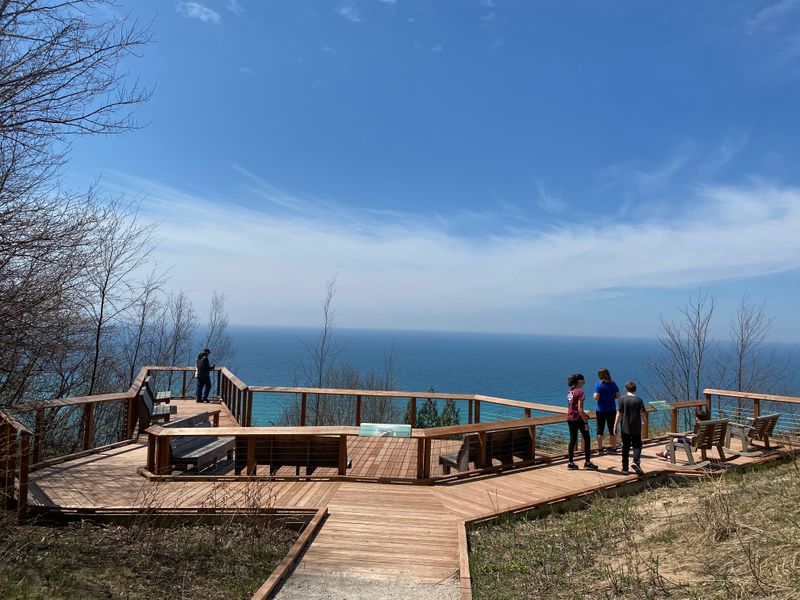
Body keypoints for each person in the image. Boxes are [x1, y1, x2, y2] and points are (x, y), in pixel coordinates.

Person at [566, 373, 599, 470]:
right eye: (583, 381)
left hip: (570, 418)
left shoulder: (570, 391)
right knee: (587, 439)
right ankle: (587, 463)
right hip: (579, 419)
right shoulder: (580, 392)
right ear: (579, 381)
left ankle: (570, 463)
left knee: (572, 439)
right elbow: (580, 409)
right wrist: (585, 420)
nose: (584, 383)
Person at [614, 380, 646, 475]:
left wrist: (615, 425)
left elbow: (619, 413)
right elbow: (643, 412)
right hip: (636, 426)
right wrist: (644, 421)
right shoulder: (639, 400)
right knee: (637, 445)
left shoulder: (622, 400)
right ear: (635, 389)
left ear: (625, 389)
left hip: (625, 427)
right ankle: (636, 461)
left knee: (625, 447)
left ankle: (625, 468)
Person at [593, 368, 621, 455]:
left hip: (601, 410)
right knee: (612, 429)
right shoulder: (613, 384)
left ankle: (600, 449)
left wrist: (594, 395)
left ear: (600, 375)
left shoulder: (598, 384)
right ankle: (613, 448)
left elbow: (596, 397)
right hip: (611, 409)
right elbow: (618, 396)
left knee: (600, 430)